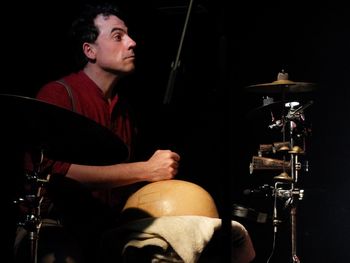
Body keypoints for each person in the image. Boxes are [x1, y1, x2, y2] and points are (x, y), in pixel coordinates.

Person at [13, 2, 180, 263]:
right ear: (89, 50)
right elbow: (53, 174)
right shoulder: (58, 94)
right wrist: (145, 170)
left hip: (104, 229)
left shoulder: (125, 111)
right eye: (118, 36)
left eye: (129, 34)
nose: (132, 42)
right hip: (55, 226)